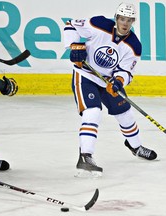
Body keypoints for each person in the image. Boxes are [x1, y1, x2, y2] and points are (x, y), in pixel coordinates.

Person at [63, 3, 157, 177]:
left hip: (107, 81)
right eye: (122, 19)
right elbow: (70, 25)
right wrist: (74, 45)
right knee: (93, 112)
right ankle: (86, 156)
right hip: (85, 76)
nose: (125, 23)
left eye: (129, 20)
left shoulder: (134, 45)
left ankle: (135, 147)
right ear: (116, 18)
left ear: (133, 21)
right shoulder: (99, 24)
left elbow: (126, 70)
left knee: (125, 113)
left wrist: (119, 81)